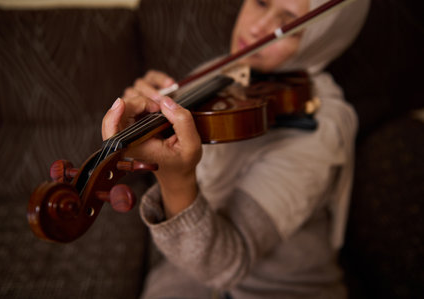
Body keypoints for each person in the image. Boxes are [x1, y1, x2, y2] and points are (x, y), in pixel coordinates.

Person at [102, 0, 370, 298]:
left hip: (282, 289)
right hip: (188, 276)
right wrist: (140, 122)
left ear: (320, 40)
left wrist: (176, 179)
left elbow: (225, 264)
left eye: (290, 24)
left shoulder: (322, 126)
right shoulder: (216, 75)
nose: (258, 28)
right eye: (260, 2)